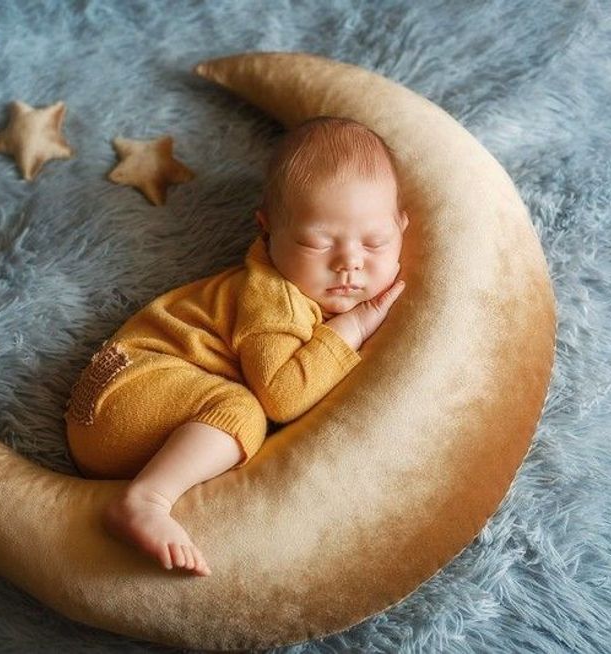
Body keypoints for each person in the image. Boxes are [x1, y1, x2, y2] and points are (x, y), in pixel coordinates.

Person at [63, 116, 409, 577]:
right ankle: (146, 499)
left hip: (133, 405)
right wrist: (357, 323)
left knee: (230, 407)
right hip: (126, 394)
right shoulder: (271, 299)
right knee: (241, 409)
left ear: (402, 227)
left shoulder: (309, 285)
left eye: (376, 242)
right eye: (317, 243)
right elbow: (283, 397)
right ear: (268, 231)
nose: (349, 262)